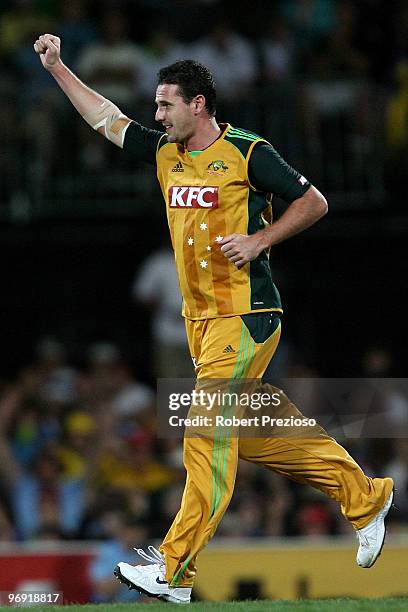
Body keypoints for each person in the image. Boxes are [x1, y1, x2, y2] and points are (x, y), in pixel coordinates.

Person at [34, 33, 394, 605]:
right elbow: (106, 118)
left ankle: (175, 568)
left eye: (165, 104)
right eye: (155, 106)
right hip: (201, 324)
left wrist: (259, 240)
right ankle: (365, 495)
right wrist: (57, 69)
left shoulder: (250, 153)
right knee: (250, 436)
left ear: (198, 104)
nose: (157, 115)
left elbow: (315, 202)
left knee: (203, 429)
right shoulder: (164, 153)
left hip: (247, 315)